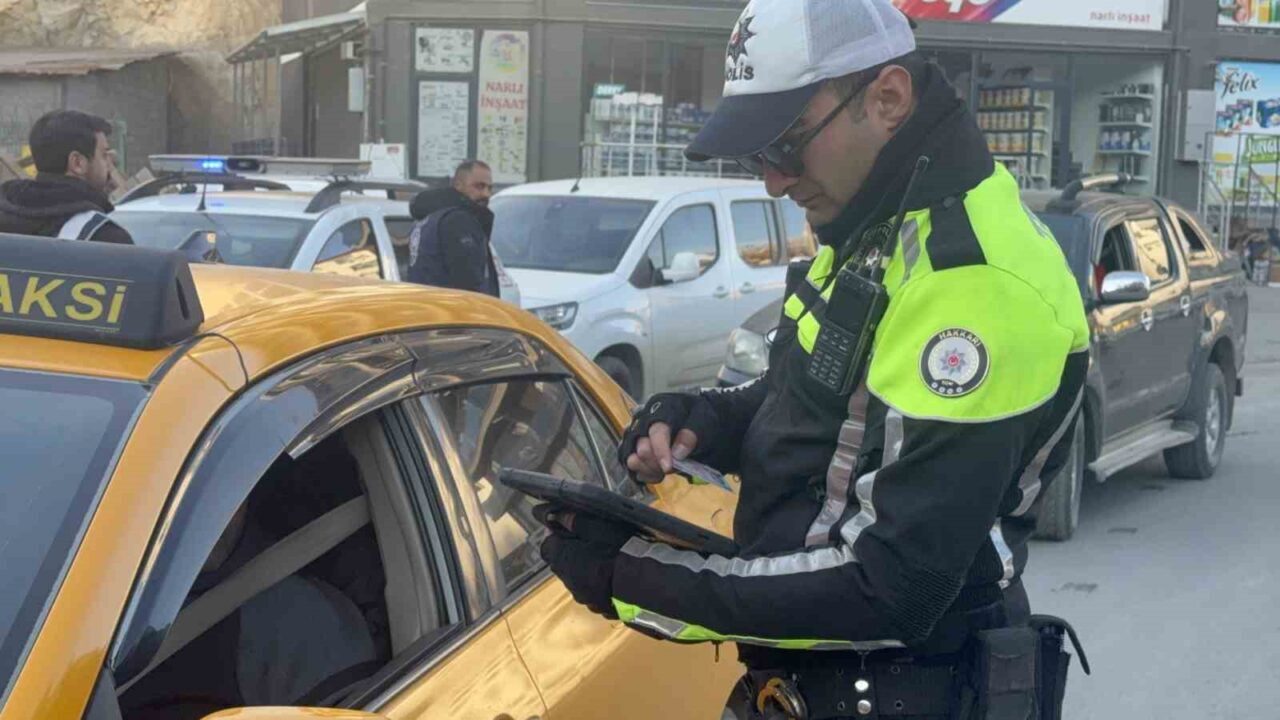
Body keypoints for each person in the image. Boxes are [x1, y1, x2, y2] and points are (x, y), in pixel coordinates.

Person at [536, 1, 1091, 718]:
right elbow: (815, 400)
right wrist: (703, 415)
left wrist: (632, 575)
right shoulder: (876, 219)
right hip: (816, 682)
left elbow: (892, 585)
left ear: (888, 99)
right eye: (757, 155)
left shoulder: (974, 288)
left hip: (912, 689)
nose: (772, 179)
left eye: (786, 144)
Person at [0, 109, 133, 243]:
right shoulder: (105, 239)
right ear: (77, 163)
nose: (110, 163)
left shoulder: (7, 217)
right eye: (104, 155)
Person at [406, 159, 499, 296]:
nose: (486, 194)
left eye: (489, 188)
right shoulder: (458, 220)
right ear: (458, 185)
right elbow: (469, 283)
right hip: (455, 312)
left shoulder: (430, 218)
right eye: (479, 186)